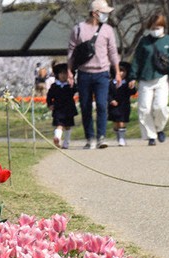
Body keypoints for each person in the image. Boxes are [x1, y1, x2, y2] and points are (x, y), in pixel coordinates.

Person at [67, 0, 121, 149]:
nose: (106, 15)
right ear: (95, 13)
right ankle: (89, 137)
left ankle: (101, 137)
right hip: (84, 74)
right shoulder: (78, 29)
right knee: (85, 107)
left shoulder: (108, 30)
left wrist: (117, 72)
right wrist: (70, 71)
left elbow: (112, 51)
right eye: (104, 12)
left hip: (102, 73)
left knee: (102, 105)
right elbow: (72, 51)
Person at [128, 13, 169, 146]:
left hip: (161, 79)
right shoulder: (144, 41)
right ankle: (151, 135)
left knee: (160, 107)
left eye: (158, 27)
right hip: (145, 80)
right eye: (152, 28)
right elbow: (136, 60)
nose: (155, 30)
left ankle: (159, 128)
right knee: (144, 109)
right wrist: (132, 76)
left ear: (163, 27)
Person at [46, 63, 77, 149]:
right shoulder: (55, 86)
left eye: (66, 73)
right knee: (59, 124)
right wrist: (50, 104)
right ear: (57, 75)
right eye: (61, 73)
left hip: (69, 109)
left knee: (68, 126)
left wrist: (72, 83)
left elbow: (75, 90)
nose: (64, 75)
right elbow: (49, 96)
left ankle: (66, 143)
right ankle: (57, 138)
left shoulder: (70, 85)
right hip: (58, 109)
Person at [108, 62, 136, 146]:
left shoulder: (127, 83)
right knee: (116, 123)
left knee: (121, 121)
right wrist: (111, 100)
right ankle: (118, 135)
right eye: (119, 71)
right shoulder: (111, 83)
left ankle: (122, 138)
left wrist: (132, 87)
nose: (121, 73)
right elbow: (107, 93)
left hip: (124, 105)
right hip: (113, 106)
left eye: (122, 71)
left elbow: (132, 92)